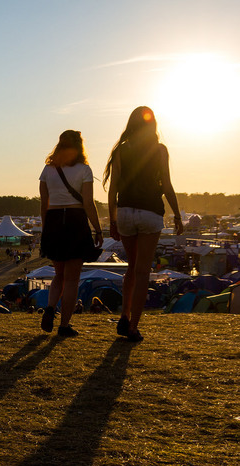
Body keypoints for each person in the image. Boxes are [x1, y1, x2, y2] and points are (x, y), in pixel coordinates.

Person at [104, 106, 183, 342]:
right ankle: (132, 327)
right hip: (150, 213)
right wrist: (177, 215)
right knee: (142, 271)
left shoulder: (120, 151)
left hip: (126, 211)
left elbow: (113, 188)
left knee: (131, 268)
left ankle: (125, 315)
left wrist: (113, 219)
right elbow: (167, 185)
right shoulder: (159, 150)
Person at [39, 130, 103, 337]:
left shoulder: (48, 170)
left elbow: (44, 204)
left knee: (59, 274)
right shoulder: (84, 170)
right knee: (72, 279)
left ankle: (50, 307)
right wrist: (98, 228)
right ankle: (64, 325)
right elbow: (88, 203)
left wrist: (45, 228)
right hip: (75, 220)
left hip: (54, 221)